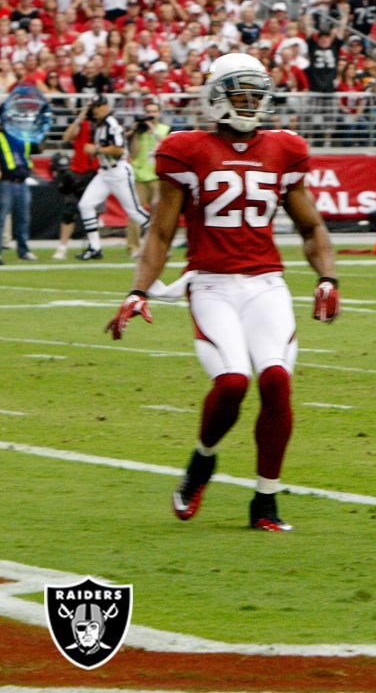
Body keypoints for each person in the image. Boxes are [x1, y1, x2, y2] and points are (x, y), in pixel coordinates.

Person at [104, 53, 340, 533]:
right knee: (233, 382)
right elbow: (162, 234)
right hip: (210, 283)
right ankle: (203, 461)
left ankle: (265, 501)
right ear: (215, 97)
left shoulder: (284, 149)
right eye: (240, 92)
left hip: (266, 284)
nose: (251, 102)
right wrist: (138, 290)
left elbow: (311, 226)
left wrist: (327, 278)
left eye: (257, 92)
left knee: (275, 379)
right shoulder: (185, 149)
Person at [75, 95, 151, 260]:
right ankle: (95, 247)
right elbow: (80, 121)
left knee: (135, 211)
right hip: (104, 173)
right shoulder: (100, 124)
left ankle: (159, 242)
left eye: (98, 106)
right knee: (85, 205)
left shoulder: (111, 123)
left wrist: (96, 150)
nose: (95, 110)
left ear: (105, 107)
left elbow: (119, 150)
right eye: (93, 107)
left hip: (118, 172)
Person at [52, 99, 102, 261]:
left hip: (95, 172)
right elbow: (67, 137)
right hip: (77, 172)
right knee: (69, 211)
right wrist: (80, 117)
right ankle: (62, 246)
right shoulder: (83, 124)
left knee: (94, 212)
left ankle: (94, 246)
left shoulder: (103, 126)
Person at [0, 97, 40, 264]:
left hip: (22, 180)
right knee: (1, 219)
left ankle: (23, 250)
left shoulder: (22, 135)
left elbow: (36, 149)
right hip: (6, 181)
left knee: (23, 219)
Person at [129, 101, 170, 259]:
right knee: (134, 214)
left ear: (159, 113)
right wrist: (134, 133)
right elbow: (134, 152)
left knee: (159, 215)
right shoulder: (139, 131)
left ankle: (157, 246)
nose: (151, 115)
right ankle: (133, 247)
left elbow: (166, 146)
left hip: (157, 176)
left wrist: (153, 131)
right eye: (148, 112)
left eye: (154, 111)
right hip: (140, 176)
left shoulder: (164, 130)